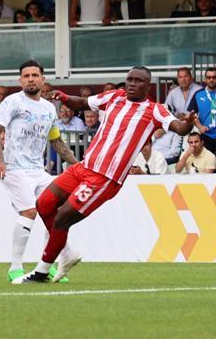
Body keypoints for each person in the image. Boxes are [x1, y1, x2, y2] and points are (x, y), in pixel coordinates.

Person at [13, 66, 195, 283]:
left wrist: (187, 124)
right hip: (83, 167)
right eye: (129, 80)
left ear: (147, 87)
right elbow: (82, 102)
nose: (131, 84)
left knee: (63, 218)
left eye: (138, 81)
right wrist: (63, 97)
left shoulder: (155, 110)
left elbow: (178, 127)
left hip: (104, 178)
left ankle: (41, 272)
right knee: (44, 204)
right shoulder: (115, 97)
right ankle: (66, 252)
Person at [0, 59, 79, 282]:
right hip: (14, 167)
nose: (31, 79)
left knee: (55, 214)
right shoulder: (12, 102)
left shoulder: (49, 108)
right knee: (30, 212)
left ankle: (46, 265)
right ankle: (15, 268)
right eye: (26, 76)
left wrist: (78, 166)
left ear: (43, 79)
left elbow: (56, 141)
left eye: (34, 75)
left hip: (38, 170)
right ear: (20, 80)